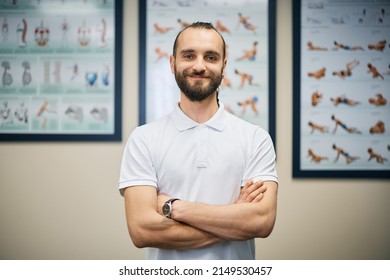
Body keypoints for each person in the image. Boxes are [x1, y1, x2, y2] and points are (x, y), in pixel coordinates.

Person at [119, 22, 278, 260]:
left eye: (211, 57)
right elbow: (142, 230)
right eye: (189, 55)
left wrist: (173, 206)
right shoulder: (143, 139)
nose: (199, 65)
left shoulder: (255, 138)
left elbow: (261, 222)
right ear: (173, 64)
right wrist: (234, 219)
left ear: (224, 66)